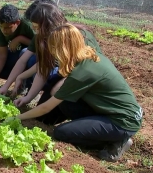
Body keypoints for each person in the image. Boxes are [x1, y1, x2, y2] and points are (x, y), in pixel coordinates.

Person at [11, 23, 143, 162]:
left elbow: (46, 107)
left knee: (61, 133)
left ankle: (114, 142)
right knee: (65, 103)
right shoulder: (89, 55)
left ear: (64, 48)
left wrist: (17, 118)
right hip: (112, 112)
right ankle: (110, 136)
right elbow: (58, 95)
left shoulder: (83, 72)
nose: (53, 53)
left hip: (123, 121)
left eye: (54, 48)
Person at [12, 2, 103, 107]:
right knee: (44, 118)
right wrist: (27, 97)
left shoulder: (79, 35)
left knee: (56, 94)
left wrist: (59, 89)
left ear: (49, 25)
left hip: (86, 81)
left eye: (37, 28)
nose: (36, 32)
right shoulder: (49, 39)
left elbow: (87, 70)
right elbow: (44, 67)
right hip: (68, 75)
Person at [0, 0, 58, 96]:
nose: (33, 29)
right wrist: (7, 85)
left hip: (67, 75)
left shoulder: (61, 37)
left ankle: (43, 91)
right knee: (25, 55)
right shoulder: (40, 35)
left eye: (35, 26)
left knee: (47, 80)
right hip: (46, 66)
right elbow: (25, 61)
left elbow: (45, 66)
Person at [0, 4, 35, 88]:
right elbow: (2, 54)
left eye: (8, 27)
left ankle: (27, 84)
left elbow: (41, 46)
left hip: (34, 57)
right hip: (16, 54)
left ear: (17, 22)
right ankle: (16, 77)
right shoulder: (2, 25)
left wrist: (20, 39)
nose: (4, 30)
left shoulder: (29, 25)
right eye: (1, 27)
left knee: (24, 52)